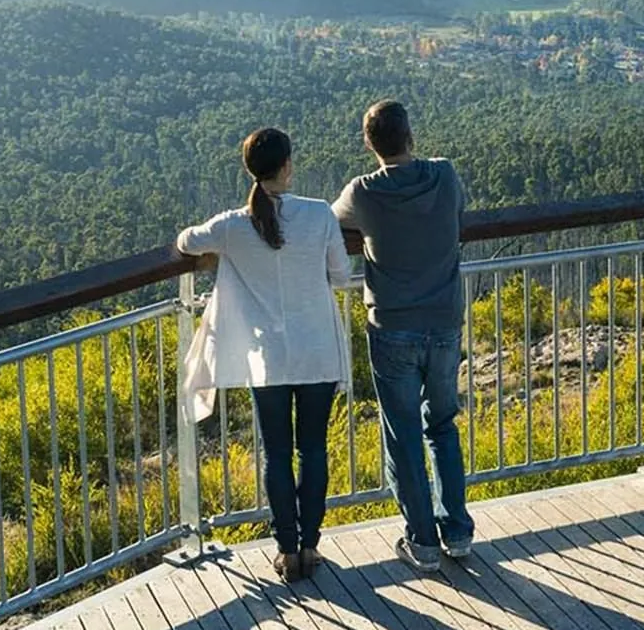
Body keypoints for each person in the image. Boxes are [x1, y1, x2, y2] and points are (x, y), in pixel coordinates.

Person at [177, 127, 351, 583]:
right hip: (317, 350)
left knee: (277, 452)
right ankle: (311, 545)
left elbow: (185, 243)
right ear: (288, 165)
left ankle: (287, 550)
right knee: (313, 448)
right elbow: (342, 273)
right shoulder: (318, 215)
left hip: (266, 359)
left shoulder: (232, 226)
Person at [333, 99, 473, 573]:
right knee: (443, 426)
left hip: (393, 326)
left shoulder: (364, 193)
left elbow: (330, 222)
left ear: (369, 144)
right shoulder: (445, 176)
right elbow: (458, 213)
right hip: (444, 322)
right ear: (411, 136)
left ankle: (422, 541)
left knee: (404, 434)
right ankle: (457, 531)